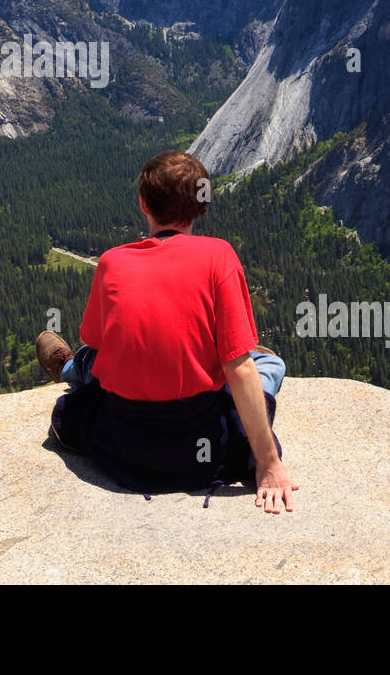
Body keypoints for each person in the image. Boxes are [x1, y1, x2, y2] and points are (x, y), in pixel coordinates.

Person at [38, 151, 298, 513]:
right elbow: (238, 370)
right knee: (266, 366)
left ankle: (68, 368)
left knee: (90, 357)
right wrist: (269, 464)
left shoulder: (112, 261)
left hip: (124, 447)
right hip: (203, 449)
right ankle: (246, 350)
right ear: (200, 206)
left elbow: (95, 339)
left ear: (143, 204)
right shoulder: (219, 255)